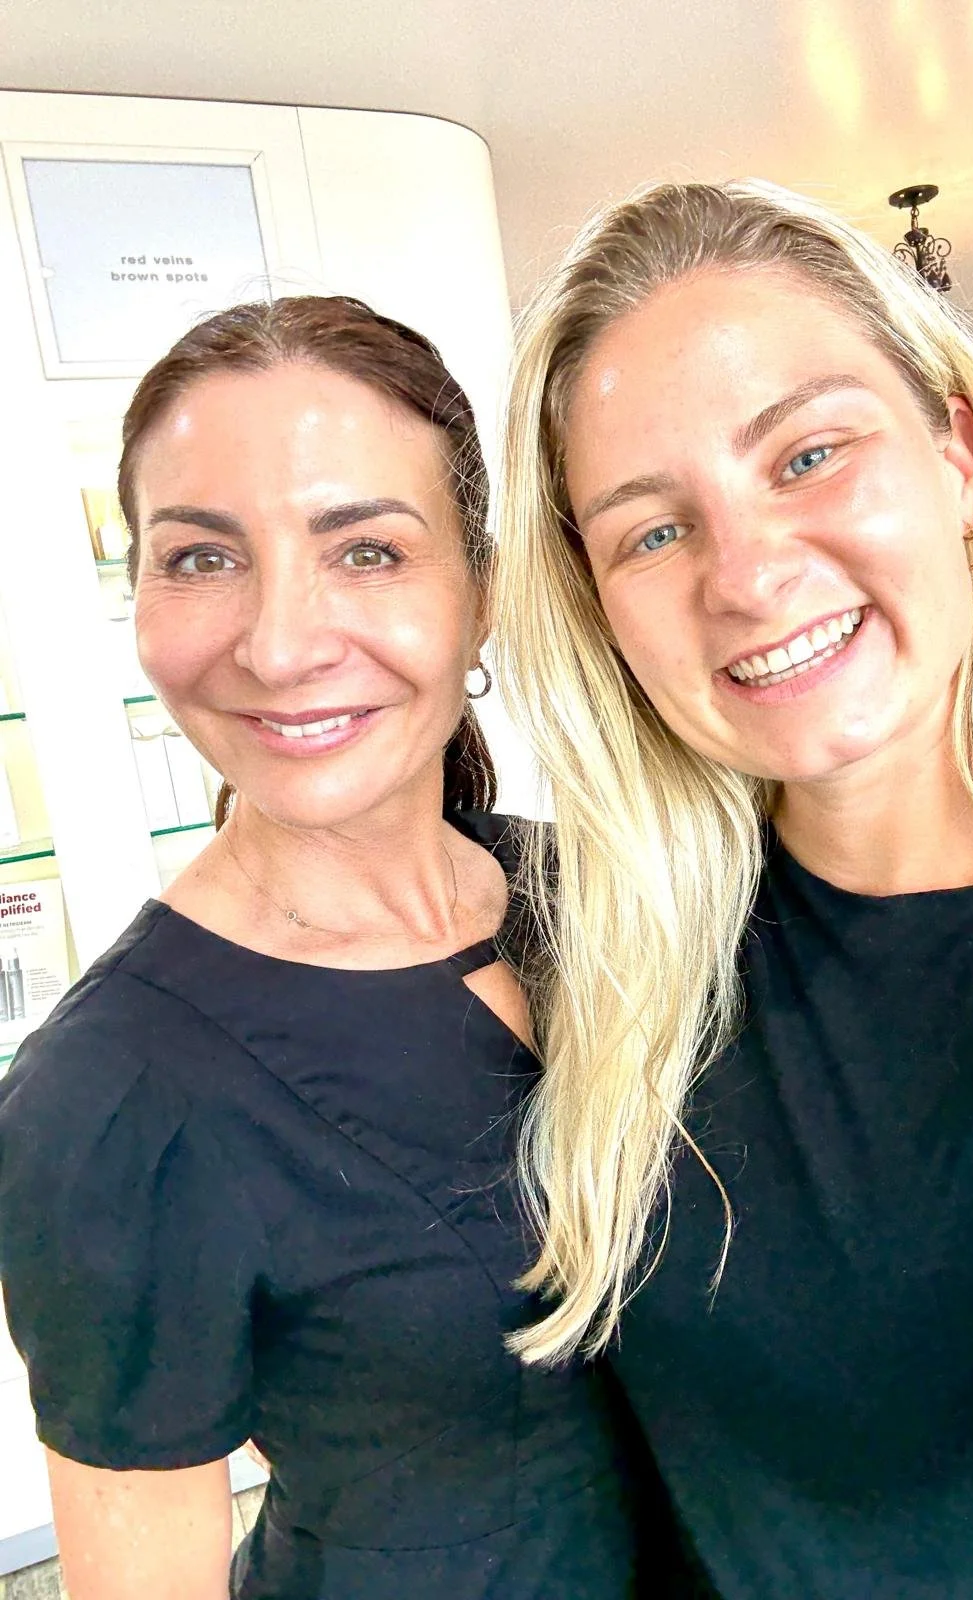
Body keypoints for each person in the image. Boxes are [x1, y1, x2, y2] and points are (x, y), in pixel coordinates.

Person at [492, 180, 973, 1598]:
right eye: (651, 531)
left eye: (808, 454)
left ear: (961, 464)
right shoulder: (601, 951)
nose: (747, 576)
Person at [0, 296, 653, 1600]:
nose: (282, 644)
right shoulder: (107, 1100)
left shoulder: (607, 895)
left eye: (366, 550)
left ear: (481, 592)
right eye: (201, 558)